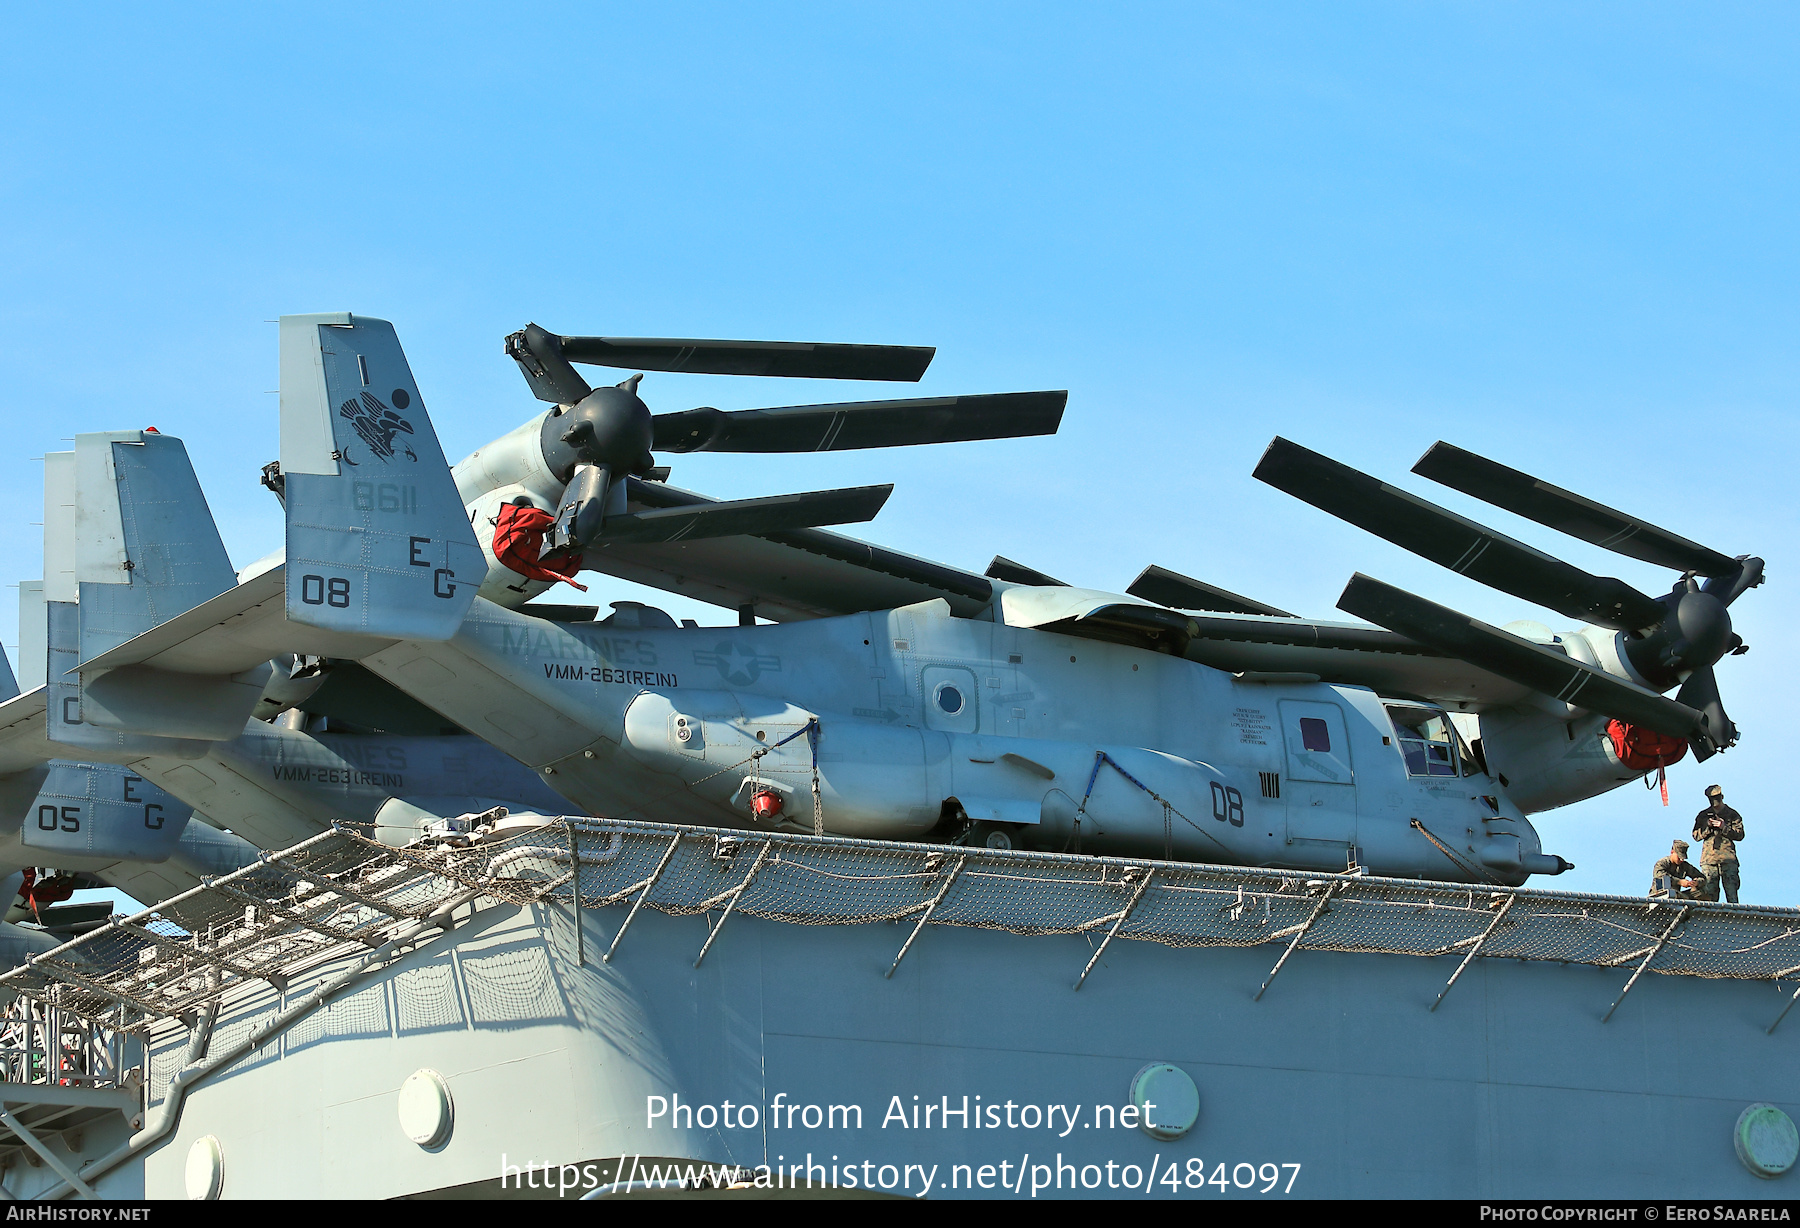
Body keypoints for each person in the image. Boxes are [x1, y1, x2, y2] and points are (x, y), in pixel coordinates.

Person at [491, 496, 588, 592]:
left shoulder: (508, 542)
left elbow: (537, 519)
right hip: (568, 553)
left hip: (570, 557)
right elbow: (537, 519)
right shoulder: (509, 538)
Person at [1691, 784, 1744, 904]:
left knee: (1732, 895)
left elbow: (1740, 835)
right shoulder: (1703, 815)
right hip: (1709, 860)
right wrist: (1708, 827)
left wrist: (1724, 827)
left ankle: (1734, 918)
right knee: (1710, 896)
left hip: (1728, 859)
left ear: (1722, 797)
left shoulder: (1732, 814)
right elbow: (1696, 836)